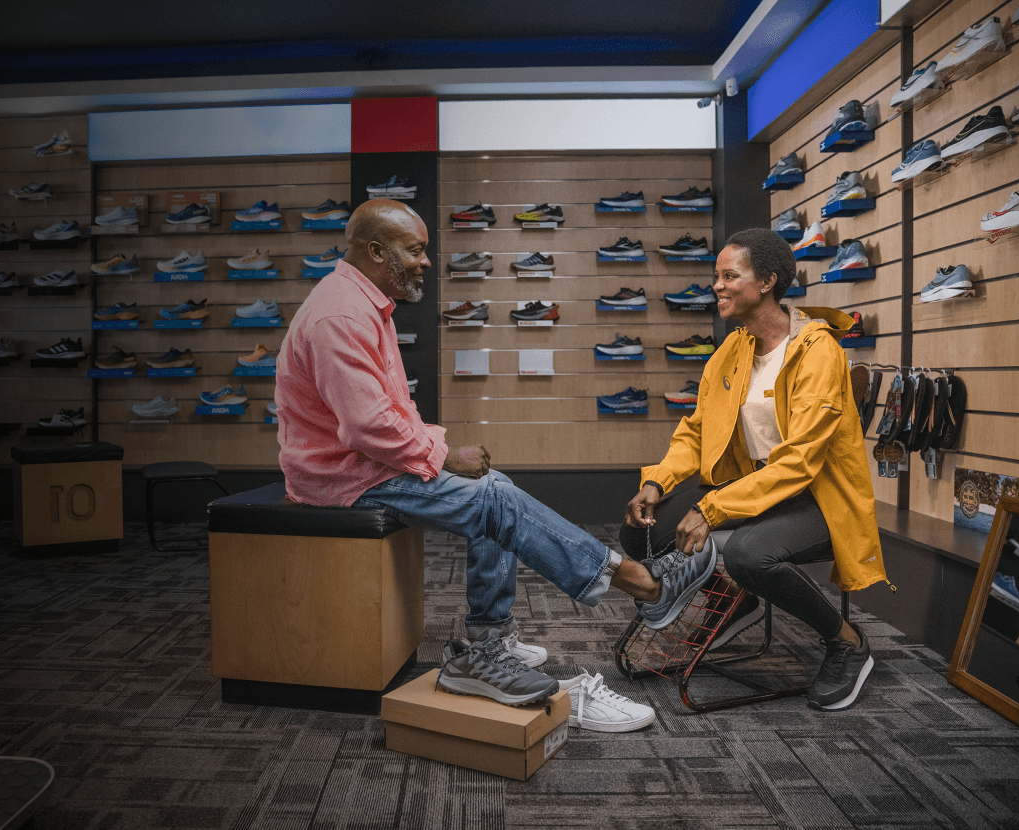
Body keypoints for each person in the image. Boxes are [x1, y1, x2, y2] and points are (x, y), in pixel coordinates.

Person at [273, 199, 713, 718]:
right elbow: (367, 426)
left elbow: (389, 411)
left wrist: (438, 450)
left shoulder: (368, 304)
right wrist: (440, 452)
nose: (426, 263)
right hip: (342, 477)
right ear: (375, 251)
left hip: (364, 463)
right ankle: (643, 585)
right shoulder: (341, 314)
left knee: (493, 489)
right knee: (494, 499)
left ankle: (491, 637)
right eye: (415, 251)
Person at [623, 227, 889, 711]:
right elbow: (697, 432)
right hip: (755, 490)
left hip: (818, 499)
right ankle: (737, 601)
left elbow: (800, 462)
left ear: (767, 281)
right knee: (641, 528)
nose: (717, 286)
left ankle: (846, 641)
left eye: (730, 276)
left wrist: (714, 508)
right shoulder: (733, 350)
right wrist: (656, 480)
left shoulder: (818, 351)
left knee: (748, 554)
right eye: (715, 276)